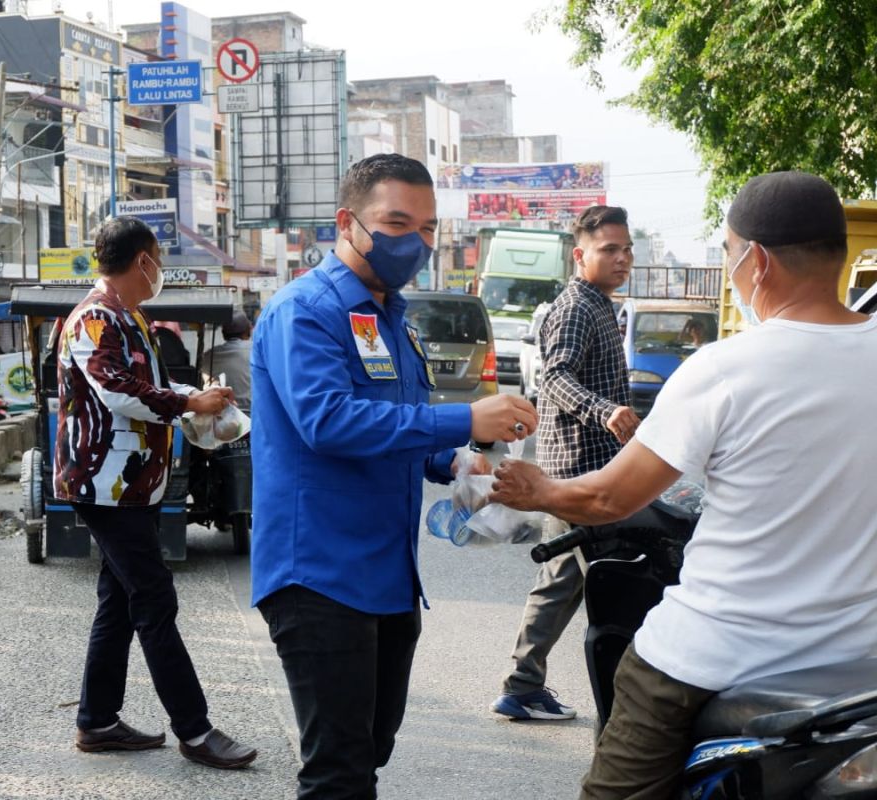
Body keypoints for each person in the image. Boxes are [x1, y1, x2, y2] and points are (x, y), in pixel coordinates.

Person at [490, 171, 877, 798]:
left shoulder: (727, 367)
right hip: (856, 665)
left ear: (757, 260)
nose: (730, 269)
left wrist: (538, 490)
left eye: (727, 253)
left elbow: (609, 498)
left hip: (716, 653)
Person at [250, 153, 538, 799]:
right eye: (398, 223)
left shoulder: (390, 316)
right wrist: (464, 421)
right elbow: (328, 422)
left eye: (429, 228)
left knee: (370, 750)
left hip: (385, 576)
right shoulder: (306, 311)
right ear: (346, 222)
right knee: (339, 774)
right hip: (318, 573)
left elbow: (394, 422)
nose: (416, 243)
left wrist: (458, 461)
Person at [53, 215, 257, 770]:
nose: (160, 271)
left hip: (130, 485)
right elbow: (118, 391)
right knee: (154, 599)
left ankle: (97, 722)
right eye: (159, 261)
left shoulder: (127, 317)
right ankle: (195, 731)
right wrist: (190, 405)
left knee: (118, 602)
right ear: (141, 260)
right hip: (105, 484)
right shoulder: (96, 317)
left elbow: (152, 388)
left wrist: (198, 395)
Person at [490, 205, 641, 722]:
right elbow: (554, 377)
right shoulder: (576, 308)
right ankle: (618, 697)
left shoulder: (599, 304)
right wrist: (607, 411)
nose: (622, 259)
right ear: (580, 255)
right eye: (609, 250)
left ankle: (523, 683)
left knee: (565, 580)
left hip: (588, 465)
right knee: (607, 581)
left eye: (626, 250)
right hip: (579, 469)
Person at [203, 311, 253, 411]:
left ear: (223, 333)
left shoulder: (209, 355)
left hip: (222, 415)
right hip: (253, 413)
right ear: (249, 330)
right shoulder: (257, 350)